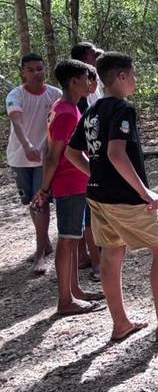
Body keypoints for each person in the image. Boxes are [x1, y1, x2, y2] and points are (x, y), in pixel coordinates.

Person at [66, 52, 158, 346]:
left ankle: (121, 324)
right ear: (122, 77)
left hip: (98, 196)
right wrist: (144, 192)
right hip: (124, 198)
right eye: (133, 75)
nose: (135, 80)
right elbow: (115, 153)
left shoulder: (92, 110)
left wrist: (96, 174)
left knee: (112, 253)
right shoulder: (122, 109)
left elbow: (72, 153)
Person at [31, 59, 106, 315]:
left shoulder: (66, 108)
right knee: (67, 240)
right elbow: (52, 155)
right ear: (74, 81)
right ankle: (65, 299)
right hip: (68, 182)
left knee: (73, 240)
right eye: (87, 78)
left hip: (73, 182)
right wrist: (44, 189)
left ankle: (75, 291)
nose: (90, 83)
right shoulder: (65, 112)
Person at [5, 53, 62, 274]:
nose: (36, 73)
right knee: (31, 201)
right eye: (30, 70)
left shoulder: (55, 94)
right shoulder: (15, 95)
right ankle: (44, 241)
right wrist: (27, 145)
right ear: (23, 72)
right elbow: (17, 121)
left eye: (39, 68)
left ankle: (40, 253)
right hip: (19, 157)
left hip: (44, 159)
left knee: (42, 201)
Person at [71, 43, 103, 279]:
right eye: (93, 54)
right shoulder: (76, 100)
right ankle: (95, 263)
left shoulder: (93, 84)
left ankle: (88, 257)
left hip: (87, 156)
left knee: (86, 210)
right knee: (87, 211)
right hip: (84, 157)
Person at [71, 41, 104, 109]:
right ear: (84, 59)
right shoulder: (76, 84)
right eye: (94, 55)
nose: (97, 58)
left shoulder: (96, 74)